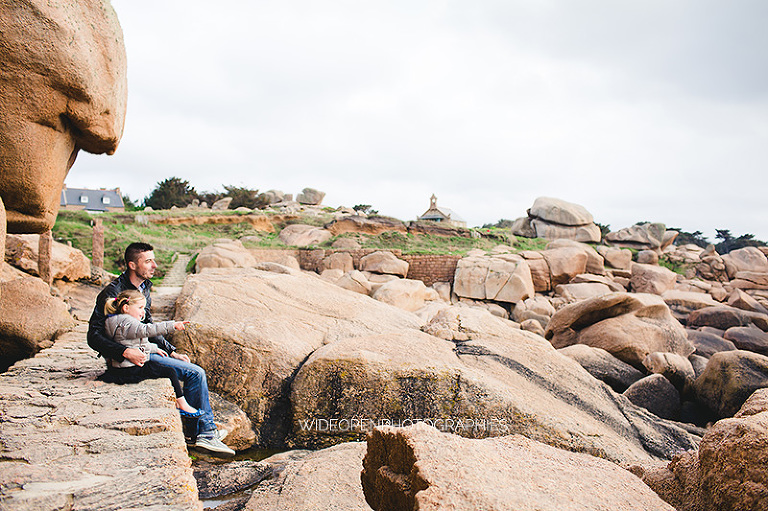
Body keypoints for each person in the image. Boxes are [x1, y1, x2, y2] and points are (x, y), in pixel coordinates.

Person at [88, 242, 234, 456]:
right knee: (195, 373)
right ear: (131, 265)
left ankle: (196, 433)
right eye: (148, 261)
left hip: (143, 350)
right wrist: (123, 352)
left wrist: (171, 350)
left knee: (187, 366)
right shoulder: (113, 292)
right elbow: (94, 335)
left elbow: (147, 325)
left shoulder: (144, 287)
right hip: (130, 360)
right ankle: (206, 433)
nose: (154, 265)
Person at [103, 290, 202, 418]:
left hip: (122, 367)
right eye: (140, 307)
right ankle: (182, 404)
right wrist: (173, 325)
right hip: (129, 370)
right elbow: (147, 330)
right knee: (169, 372)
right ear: (126, 308)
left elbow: (135, 345)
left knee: (163, 369)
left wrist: (155, 349)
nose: (143, 312)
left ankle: (180, 402)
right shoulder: (128, 323)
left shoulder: (117, 321)